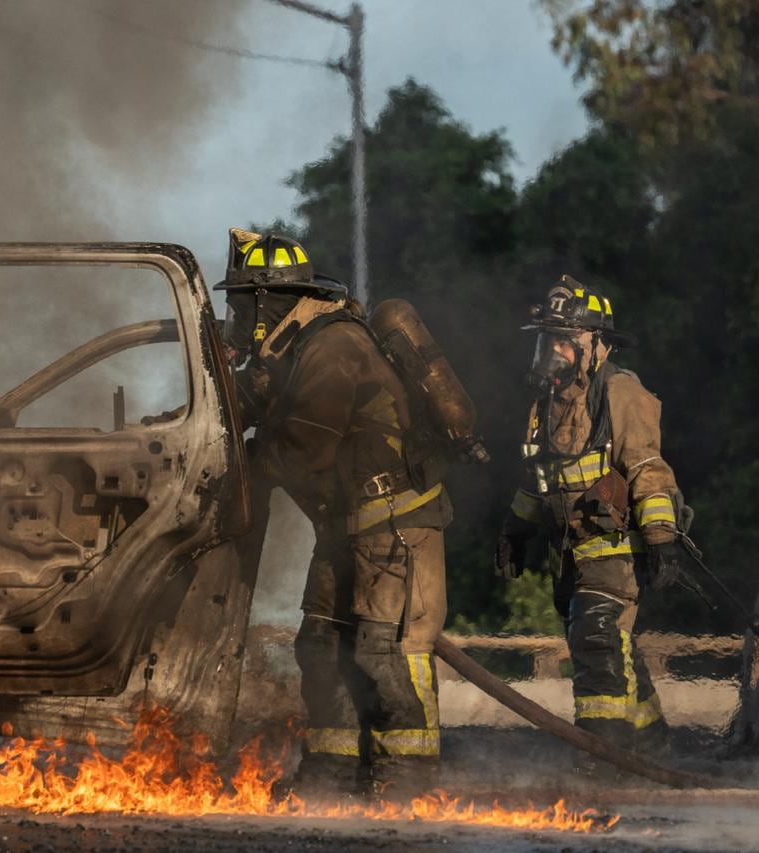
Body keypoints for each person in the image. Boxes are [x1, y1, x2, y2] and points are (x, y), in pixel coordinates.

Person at [218, 228, 451, 797]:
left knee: (381, 652)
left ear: (268, 302)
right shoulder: (290, 346)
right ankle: (331, 776)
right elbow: (246, 397)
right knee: (321, 649)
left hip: (393, 529)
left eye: (245, 303)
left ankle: (404, 781)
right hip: (345, 530)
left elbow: (305, 446)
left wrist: (242, 465)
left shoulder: (333, 346)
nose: (241, 316)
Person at [495, 276, 688, 755]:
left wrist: (662, 537)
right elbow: (535, 477)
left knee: (595, 634)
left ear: (597, 346)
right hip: (570, 551)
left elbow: (648, 469)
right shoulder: (546, 406)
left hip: (617, 547)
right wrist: (516, 530)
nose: (555, 350)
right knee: (613, 649)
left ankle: (603, 753)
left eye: (566, 339)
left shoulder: (620, 393)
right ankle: (650, 743)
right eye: (548, 339)